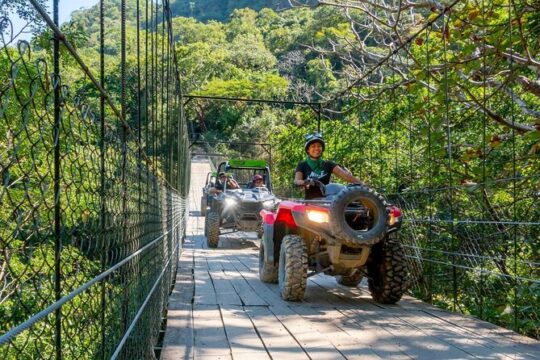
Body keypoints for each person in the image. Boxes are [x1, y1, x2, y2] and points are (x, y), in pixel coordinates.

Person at [294, 133, 365, 199]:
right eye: (313, 146)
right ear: (308, 150)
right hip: (310, 202)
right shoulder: (302, 164)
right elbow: (297, 180)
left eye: (319, 146)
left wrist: (363, 185)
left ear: (322, 149)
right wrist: (305, 182)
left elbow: (346, 176)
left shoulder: (328, 164)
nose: (316, 148)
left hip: (326, 201)